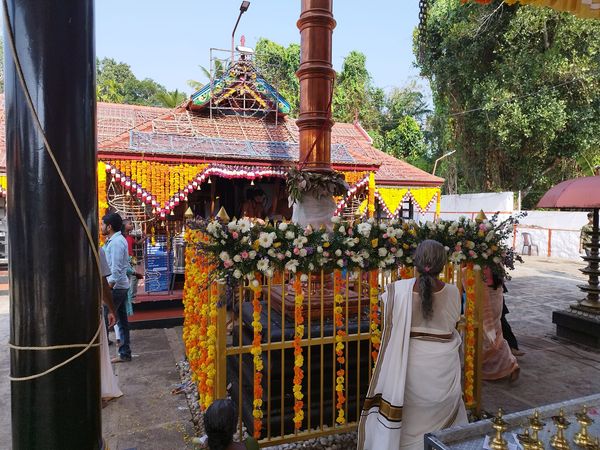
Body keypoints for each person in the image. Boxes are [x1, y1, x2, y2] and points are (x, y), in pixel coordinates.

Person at [358, 240, 467, 450]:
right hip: (443, 372)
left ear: (415, 262)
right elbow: (453, 322)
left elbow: (386, 324)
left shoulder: (397, 291)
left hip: (410, 371)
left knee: (409, 423)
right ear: (443, 264)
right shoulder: (453, 292)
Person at [101, 212, 132, 363]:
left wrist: (109, 287)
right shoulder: (113, 241)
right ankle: (125, 353)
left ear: (109, 226)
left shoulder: (117, 242)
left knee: (106, 318)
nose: (101, 227)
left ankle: (104, 355)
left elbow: (117, 268)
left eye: (102, 224)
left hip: (116, 287)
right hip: (118, 286)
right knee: (121, 320)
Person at [480, 267, 520, 382]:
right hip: (497, 297)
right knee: (496, 333)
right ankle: (510, 364)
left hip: (486, 298)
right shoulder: (496, 262)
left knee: (487, 335)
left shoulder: (478, 263)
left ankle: (507, 365)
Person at [98, 247, 123, 405]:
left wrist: (111, 309)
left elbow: (103, 282)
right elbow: (102, 283)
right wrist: (111, 309)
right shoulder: (96, 248)